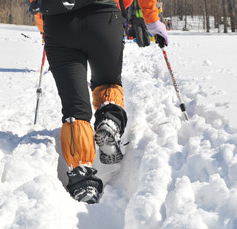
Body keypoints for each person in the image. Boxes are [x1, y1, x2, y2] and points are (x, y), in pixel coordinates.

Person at [30, 0, 168, 204]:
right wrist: (152, 19)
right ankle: (109, 119)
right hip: (104, 16)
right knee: (108, 82)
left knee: (74, 108)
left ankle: (81, 173)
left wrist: (44, 26)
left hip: (57, 23)